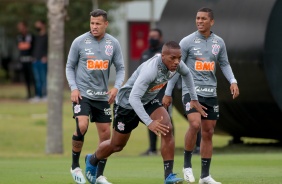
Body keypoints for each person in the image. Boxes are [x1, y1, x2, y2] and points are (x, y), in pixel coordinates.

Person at [83, 41, 208, 184]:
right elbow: (133, 98)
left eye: (179, 58)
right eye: (172, 58)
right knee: (117, 145)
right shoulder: (151, 70)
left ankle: (169, 176)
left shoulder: (177, 65)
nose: (177, 62)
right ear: (163, 56)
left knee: (167, 128)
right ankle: (92, 159)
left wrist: (194, 99)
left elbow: (187, 74)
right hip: (127, 105)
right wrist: (149, 123)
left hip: (148, 101)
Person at [163, 7, 239, 184]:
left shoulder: (218, 42)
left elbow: (225, 64)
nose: (199, 21)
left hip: (210, 92)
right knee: (195, 124)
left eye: (203, 19)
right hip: (191, 92)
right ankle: (187, 165)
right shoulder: (187, 41)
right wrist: (168, 93)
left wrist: (233, 81)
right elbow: (175, 68)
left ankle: (205, 176)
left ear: (211, 22)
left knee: (208, 132)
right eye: (197, 18)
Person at [65, 9, 125, 184]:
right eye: (92, 23)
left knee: (106, 137)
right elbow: (70, 66)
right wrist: (74, 88)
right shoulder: (79, 42)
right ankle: (75, 166)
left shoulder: (113, 43)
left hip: (103, 97)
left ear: (106, 24)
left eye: (98, 23)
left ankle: (98, 174)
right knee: (82, 126)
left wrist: (116, 88)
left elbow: (120, 68)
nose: (94, 27)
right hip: (82, 95)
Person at [139, 28, 174, 156]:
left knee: (166, 119)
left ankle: (168, 146)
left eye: (154, 36)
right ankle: (152, 149)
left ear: (160, 38)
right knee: (150, 119)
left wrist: (168, 93)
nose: (151, 38)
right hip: (148, 93)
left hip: (163, 92)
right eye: (150, 36)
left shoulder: (164, 54)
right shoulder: (145, 54)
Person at [16, 21, 35, 100]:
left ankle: (36, 94)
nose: (20, 28)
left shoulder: (30, 36)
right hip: (22, 60)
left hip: (30, 60)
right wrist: (25, 45)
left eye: (21, 26)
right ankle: (29, 94)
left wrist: (24, 45)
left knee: (33, 78)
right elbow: (20, 46)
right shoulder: (19, 36)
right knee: (26, 78)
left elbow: (28, 46)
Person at [31, 20, 48, 102]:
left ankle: (45, 95)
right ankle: (38, 95)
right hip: (35, 60)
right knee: (37, 79)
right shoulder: (35, 37)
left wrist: (46, 57)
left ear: (43, 25)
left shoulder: (47, 36)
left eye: (38, 24)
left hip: (43, 61)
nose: (36, 26)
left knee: (43, 78)